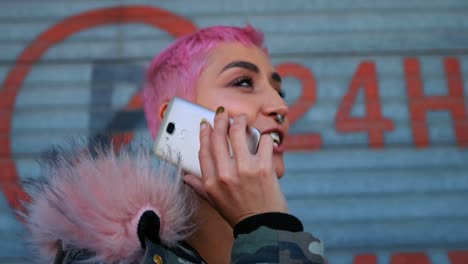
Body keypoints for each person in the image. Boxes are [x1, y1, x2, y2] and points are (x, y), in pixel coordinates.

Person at [24, 25, 324, 264]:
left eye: (280, 91)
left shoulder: (293, 238)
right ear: (174, 115)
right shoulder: (104, 258)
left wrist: (268, 228)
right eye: (243, 82)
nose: (280, 106)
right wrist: (268, 227)